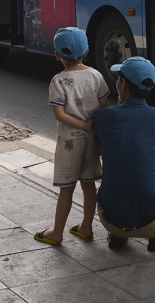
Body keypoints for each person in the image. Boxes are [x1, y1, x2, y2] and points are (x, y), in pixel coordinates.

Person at [92, 57, 155, 252]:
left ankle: (118, 235)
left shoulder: (102, 118)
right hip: (153, 222)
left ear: (123, 84)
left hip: (108, 219)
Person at [33, 27, 108, 246]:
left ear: (56, 55)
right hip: (92, 141)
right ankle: (86, 227)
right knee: (88, 185)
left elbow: (60, 114)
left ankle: (57, 232)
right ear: (86, 51)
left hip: (69, 144)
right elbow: (104, 110)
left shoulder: (58, 81)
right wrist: (97, 133)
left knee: (67, 189)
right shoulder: (96, 76)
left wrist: (82, 125)